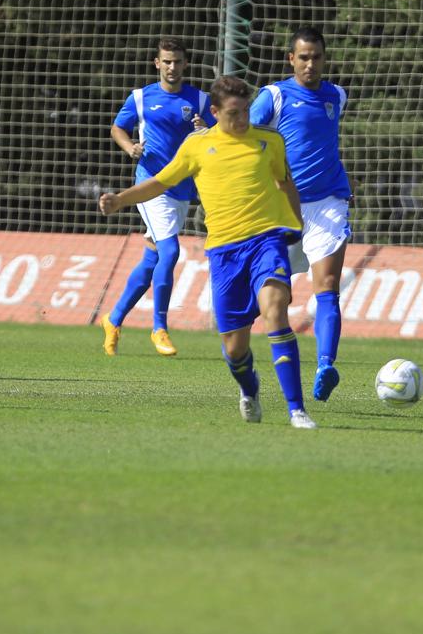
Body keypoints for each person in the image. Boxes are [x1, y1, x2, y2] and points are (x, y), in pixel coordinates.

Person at [99, 76, 317, 429]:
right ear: (214, 112)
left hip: (267, 241)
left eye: (246, 111)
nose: (243, 119)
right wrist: (120, 199)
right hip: (224, 253)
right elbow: (160, 182)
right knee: (234, 349)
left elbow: (285, 182)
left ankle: (297, 409)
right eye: (234, 113)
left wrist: (296, 227)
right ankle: (250, 389)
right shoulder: (197, 146)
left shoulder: (269, 141)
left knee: (275, 310)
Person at [250, 26, 351, 403]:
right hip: (281, 206)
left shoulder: (336, 95)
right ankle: (245, 351)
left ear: (325, 59)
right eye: (303, 57)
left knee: (326, 288)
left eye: (317, 57)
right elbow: (245, 136)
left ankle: (326, 365)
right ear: (291, 59)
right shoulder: (273, 96)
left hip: (328, 203)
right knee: (276, 297)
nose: (310, 64)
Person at [99, 38, 214, 358]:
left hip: (181, 191)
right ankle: (159, 328)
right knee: (170, 250)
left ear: (186, 64)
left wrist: (205, 128)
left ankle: (113, 319)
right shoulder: (140, 97)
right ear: (157, 63)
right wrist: (129, 147)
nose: (172, 67)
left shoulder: (200, 100)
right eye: (166, 61)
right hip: (150, 186)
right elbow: (117, 129)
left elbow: (220, 137)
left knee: (152, 259)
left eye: (177, 61)